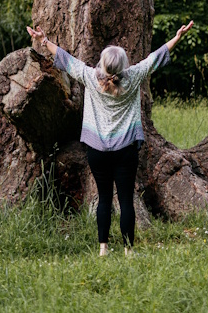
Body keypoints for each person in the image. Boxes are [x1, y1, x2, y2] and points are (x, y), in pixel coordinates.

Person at [26, 21, 195, 256]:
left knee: (104, 198)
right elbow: (155, 58)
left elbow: (66, 59)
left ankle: (103, 249)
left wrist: (44, 41)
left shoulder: (90, 77)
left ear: (103, 64)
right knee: (126, 200)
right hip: (126, 150)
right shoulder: (134, 76)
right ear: (124, 65)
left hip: (97, 151)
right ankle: (128, 250)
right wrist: (177, 37)